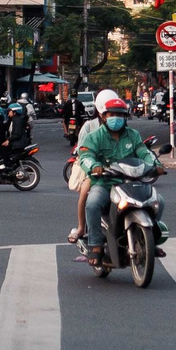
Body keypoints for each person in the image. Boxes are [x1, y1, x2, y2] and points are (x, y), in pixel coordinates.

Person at [72, 93, 162, 265]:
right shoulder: (94, 136)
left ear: (125, 117)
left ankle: (151, 239)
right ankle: (95, 245)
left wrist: (156, 164)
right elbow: (86, 156)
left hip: (131, 182)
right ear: (104, 116)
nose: (116, 118)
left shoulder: (133, 135)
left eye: (120, 115)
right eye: (112, 114)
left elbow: (144, 152)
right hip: (105, 183)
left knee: (158, 201)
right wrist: (94, 166)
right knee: (92, 204)